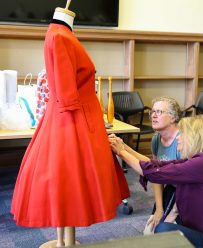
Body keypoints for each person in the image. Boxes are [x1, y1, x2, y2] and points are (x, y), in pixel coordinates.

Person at [11, 1, 129, 247]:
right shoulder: (61, 36)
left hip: (69, 116)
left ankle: (66, 240)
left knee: (66, 179)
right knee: (70, 178)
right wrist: (81, 131)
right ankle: (65, 242)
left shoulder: (57, 34)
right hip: (72, 119)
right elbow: (65, 93)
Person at [109, 115, 203, 248]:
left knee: (164, 231)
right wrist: (125, 148)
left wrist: (121, 152)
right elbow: (157, 165)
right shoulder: (200, 161)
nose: (178, 137)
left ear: (195, 138)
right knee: (163, 231)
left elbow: (155, 173)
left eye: (182, 134)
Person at [144, 96, 182, 234]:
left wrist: (172, 213)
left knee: (168, 233)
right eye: (152, 112)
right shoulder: (156, 139)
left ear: (173, 117)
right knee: (149, 232)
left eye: (159, 112)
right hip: (172, 188)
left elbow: (190, 183)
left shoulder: (183, 141)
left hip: (190, 192)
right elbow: (156, 175)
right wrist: (159, 209)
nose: (153, 115)